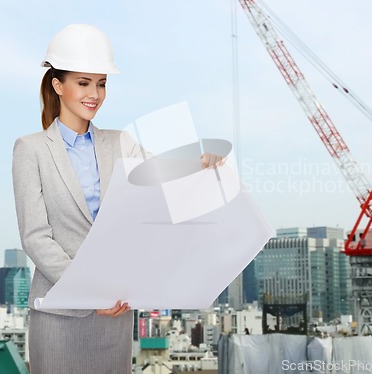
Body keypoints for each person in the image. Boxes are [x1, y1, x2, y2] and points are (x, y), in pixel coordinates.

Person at [12, 24, 223, 374]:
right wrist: (88, 294)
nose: (94, 93)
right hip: (62, 315)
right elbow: (35, 236)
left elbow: (159, 172)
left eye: (101, 83)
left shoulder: (118, 142)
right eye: (83, 82)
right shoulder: (30, 149)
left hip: (114, 314)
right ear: (57, 85)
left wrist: (201, 163)